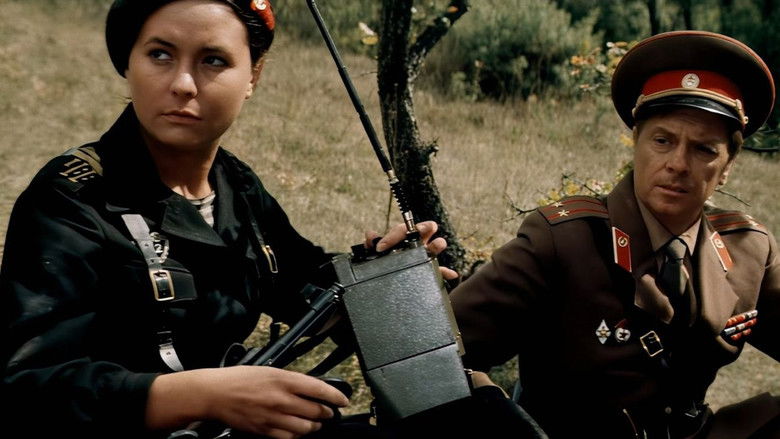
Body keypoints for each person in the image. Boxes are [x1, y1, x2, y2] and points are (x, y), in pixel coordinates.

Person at [0, 1, 456, 438]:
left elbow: (299, 283)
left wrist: (380, 279)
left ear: (253, 76)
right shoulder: (72, 199)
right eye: (160, 55)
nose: (183, 84)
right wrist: (204, 396)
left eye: (213, 61)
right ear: (129, 62)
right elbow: (25, 390)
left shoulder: (235, 184)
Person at [450, 30, 779, 439]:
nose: (678, 164)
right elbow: (443, 353)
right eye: (663, 141)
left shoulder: (748, 248)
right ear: (636, 143)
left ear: (727, 166)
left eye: (704, 150)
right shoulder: (563, 240)